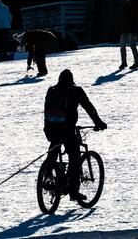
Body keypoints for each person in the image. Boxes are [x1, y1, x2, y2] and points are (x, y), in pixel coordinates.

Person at [43, 69, 107, 201]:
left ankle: (48, 172)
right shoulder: (76, 91)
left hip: (50, 129)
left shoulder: (52, 90)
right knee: (75, 158)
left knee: (55, 145)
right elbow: (88, 107)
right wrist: (98, 122)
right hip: (67, 130)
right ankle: (73, 191)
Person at [118, 0, 138, 70]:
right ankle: (124, 62)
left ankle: (137, 62)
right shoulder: (124, 4)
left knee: (132, 45)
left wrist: (137, 26)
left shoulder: (136, 4)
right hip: (124, 28)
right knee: (122, 46)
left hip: (132, 28)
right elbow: (122, 16)